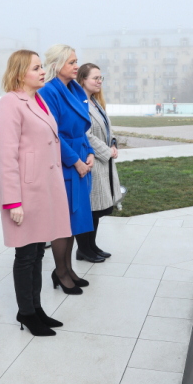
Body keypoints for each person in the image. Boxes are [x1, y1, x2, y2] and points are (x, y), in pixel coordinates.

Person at [0, 50, 71, 336]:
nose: (43, 72)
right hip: (25, 193)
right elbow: (5, 157)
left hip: (43, 190)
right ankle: (26, 312)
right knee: (25, 255)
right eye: (36, 68)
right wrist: (13, 200)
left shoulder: (37, 100)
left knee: (38, 251)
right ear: (19, 72)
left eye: (42, 67)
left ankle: (35, 308)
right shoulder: (9, 105)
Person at [38, 44, 94, 294]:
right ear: (57, 64)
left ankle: (68, 269)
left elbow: (81, 128)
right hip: (65, 163)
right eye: (71, 62)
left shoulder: (74, 89)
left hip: (80, 157)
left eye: (76, 61)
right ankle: (60, 272)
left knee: (73, 222)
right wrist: (76, 161)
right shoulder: (49, 92)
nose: (76, 66)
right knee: (63, 222)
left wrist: (90, 152)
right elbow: (53, 133)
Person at [76, 63, 122, 262]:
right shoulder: (79, 103)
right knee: (90, 208)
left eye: (101, 78)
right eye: (95, 78)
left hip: (103, 161)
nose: (99, 81)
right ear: (82, 80)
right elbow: (85, 134)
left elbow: (106, 129)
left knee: (98, 209)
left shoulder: (95, 102)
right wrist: (107, 152)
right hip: (92, 160)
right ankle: (83, 249)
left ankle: (92, 246)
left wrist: (113, 144)